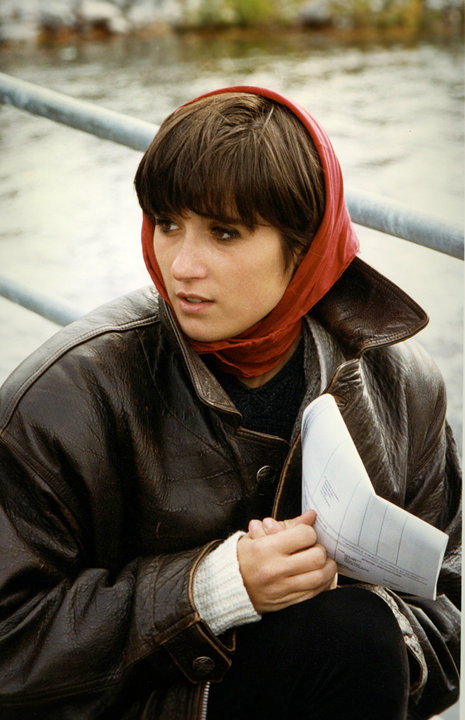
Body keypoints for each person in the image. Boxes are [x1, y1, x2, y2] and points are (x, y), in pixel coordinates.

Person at [0, 86, 460, 720]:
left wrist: (345, 593)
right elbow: (11, 648)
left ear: (306, 245)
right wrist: (215, 589)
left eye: (224, 232)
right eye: (167, 224)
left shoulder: (403, 385)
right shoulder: (63, 398)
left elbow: (448, 612)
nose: (182, 265)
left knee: (355, 632)